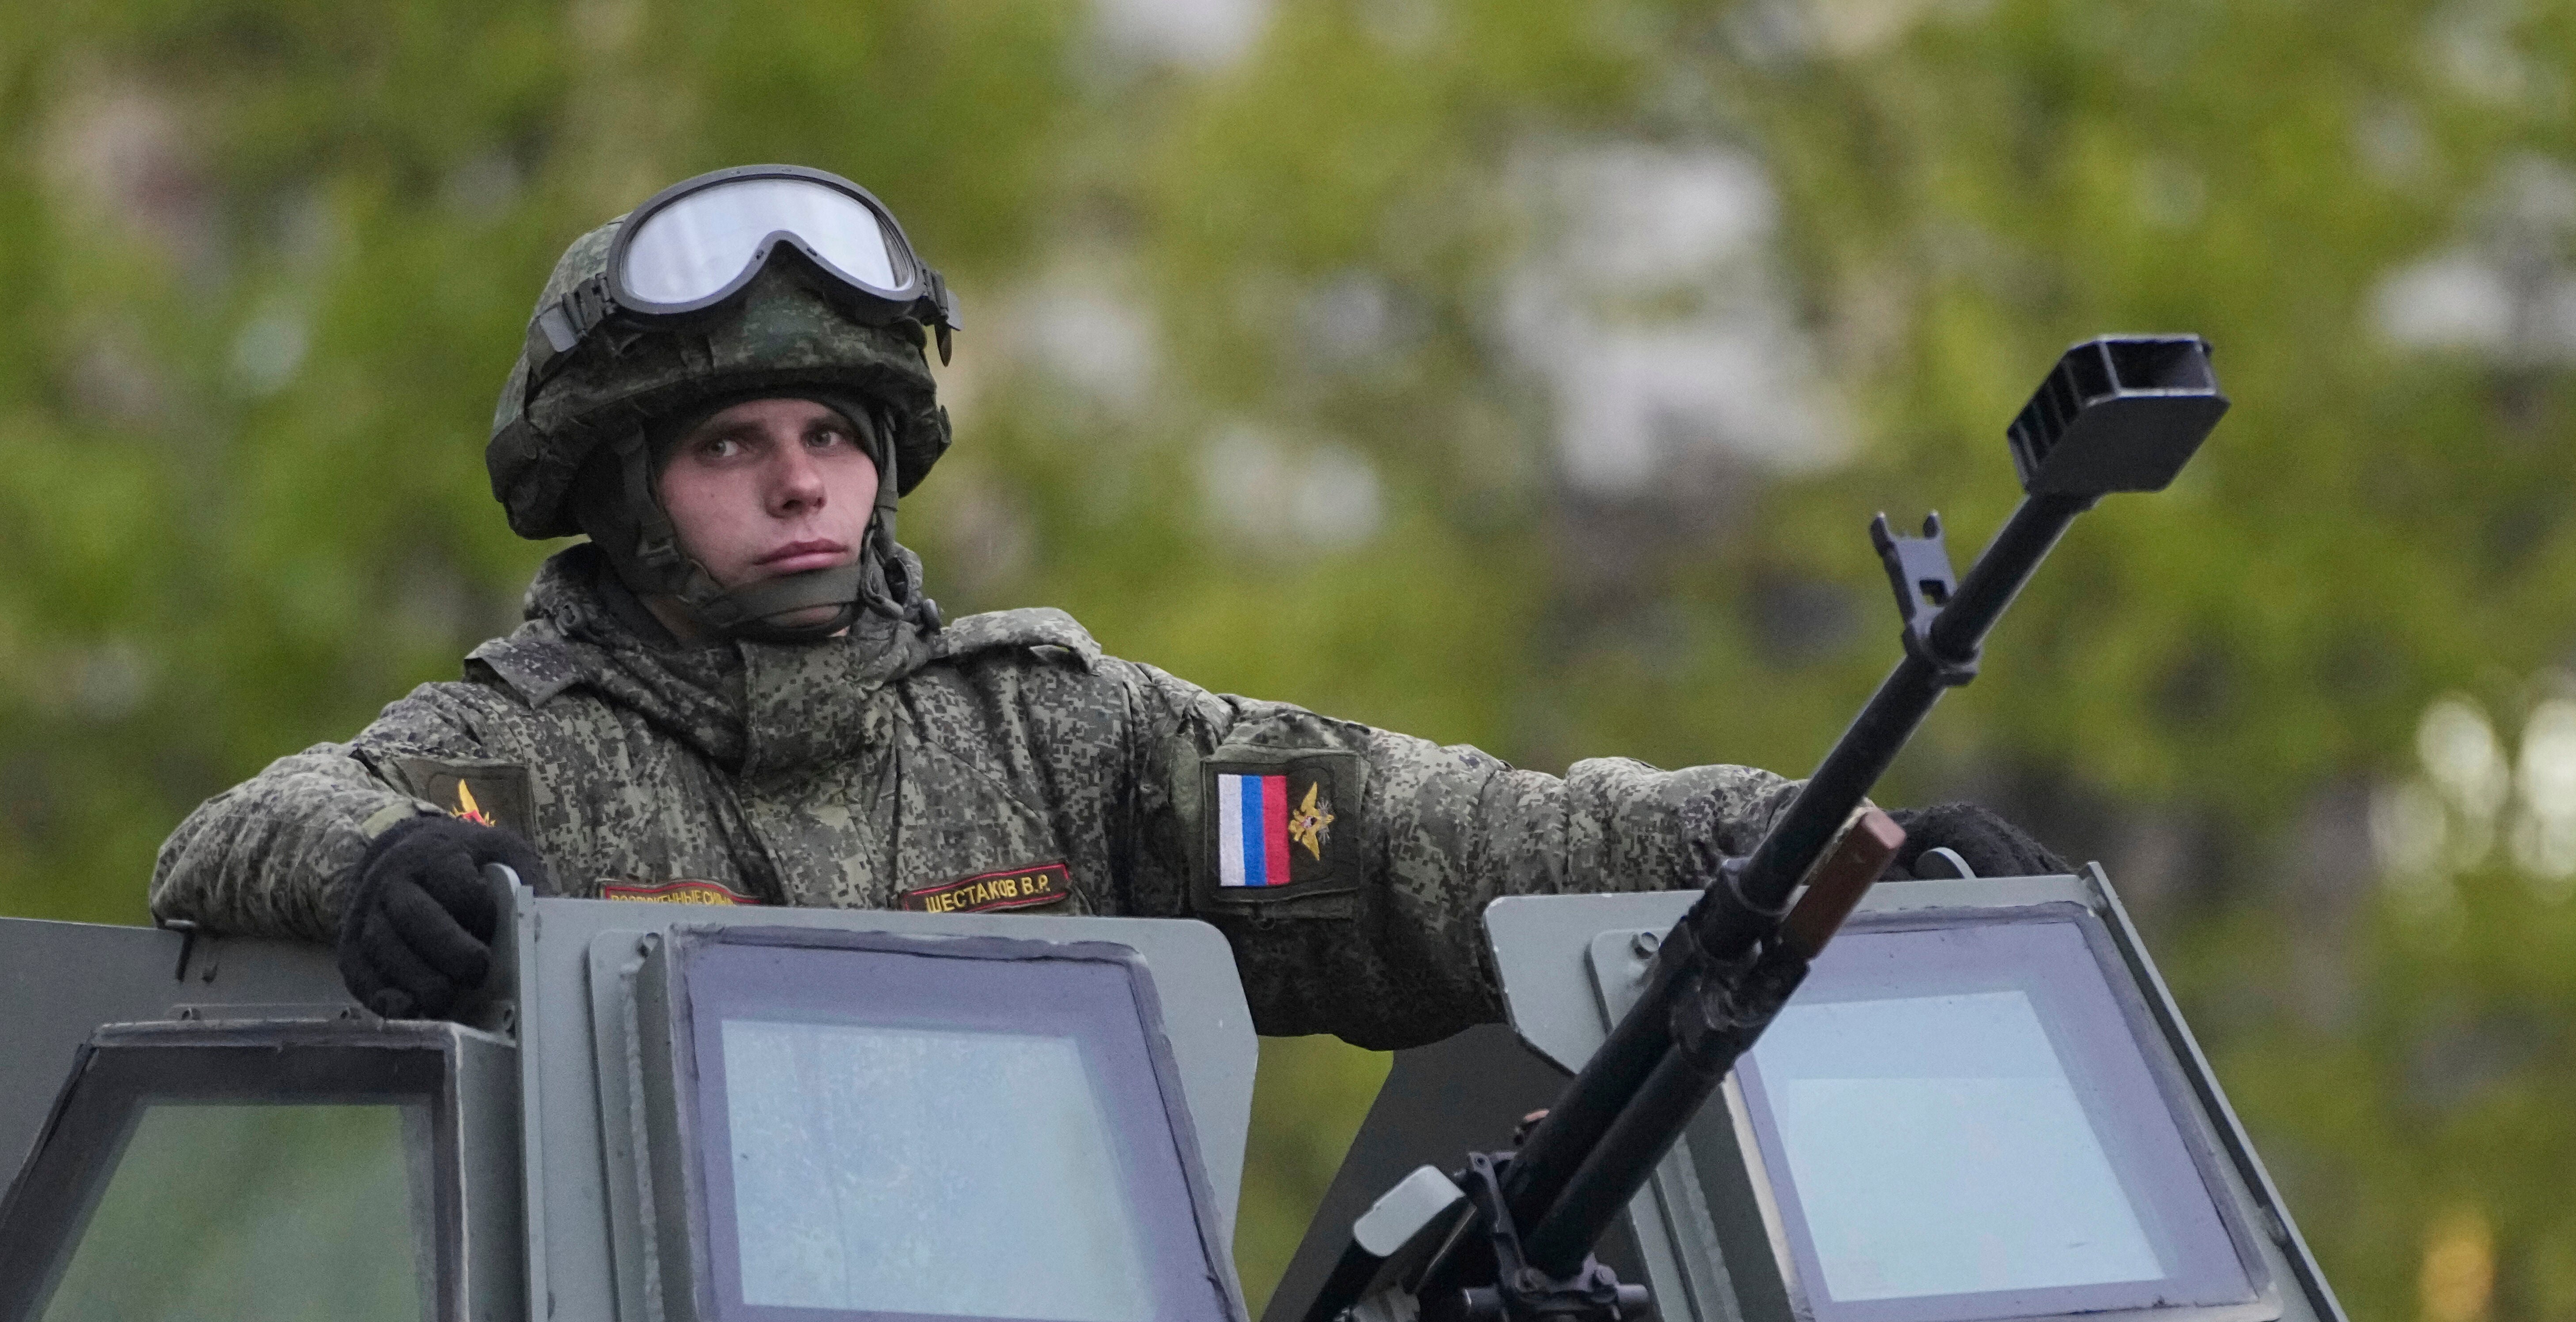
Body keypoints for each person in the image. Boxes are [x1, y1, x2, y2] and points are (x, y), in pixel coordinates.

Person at [149, 164, 2059, 1048]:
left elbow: (1428, 839)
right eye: (732, 441)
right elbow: (234, 830)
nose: (801, 477)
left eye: (833, 428)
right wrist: (362, 862)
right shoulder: (520, 769)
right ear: (624, 489)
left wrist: (1794, 840)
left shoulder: (1064, 752)